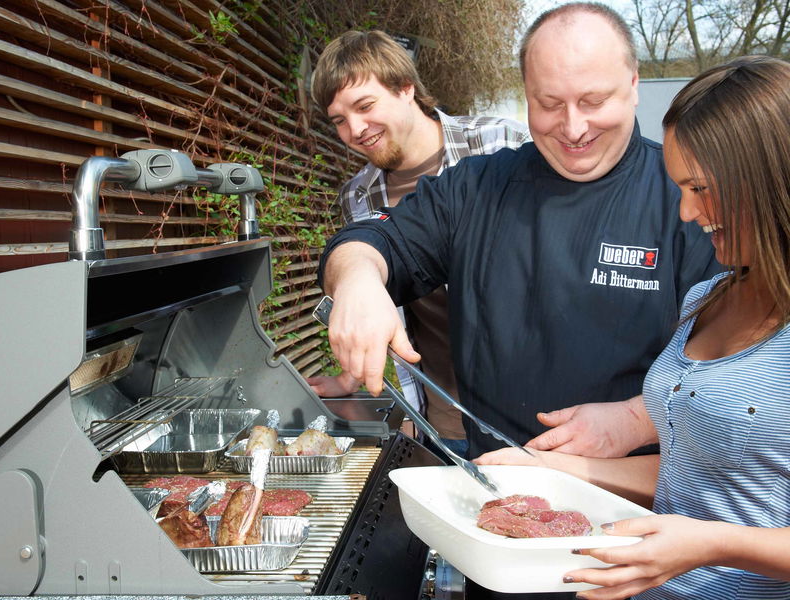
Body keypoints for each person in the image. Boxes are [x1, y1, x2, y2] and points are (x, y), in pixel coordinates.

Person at [316, 2, 720, 462]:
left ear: (633, 86)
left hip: (645, 499)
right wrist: (358, 279)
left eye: (593, 101)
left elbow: (743, 374)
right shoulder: (474, 187)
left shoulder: (686, 199)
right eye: (548, 104)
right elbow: (370, 241)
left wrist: (635, 418)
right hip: (495, 484)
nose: (573, 128)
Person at [476, 54, 790, 600]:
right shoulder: (706, 299)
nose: (687, 214)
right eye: (679, 190)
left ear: (770, 178)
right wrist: (546, 469)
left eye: (702, 188)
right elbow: (691, 478)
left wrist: (714, 545)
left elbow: (706, 530)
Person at [306, 30, 530, 458]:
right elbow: (375, 298)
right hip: (442, 420)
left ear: (406, 87)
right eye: (338, 119)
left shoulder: (501, 143)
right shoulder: (358, 196)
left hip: (527, 418)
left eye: (365, 106)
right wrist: (349, 379)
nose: (354, 129)